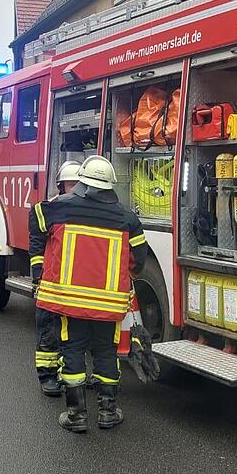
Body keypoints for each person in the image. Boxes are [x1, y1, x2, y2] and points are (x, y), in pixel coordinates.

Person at [29, 156, 148, 432]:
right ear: (109, 185)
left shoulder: (59, 209)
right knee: (106, 353)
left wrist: (41, 265)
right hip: (108, 305)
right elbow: (138, 260)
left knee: (73, 353)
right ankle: (107, 412)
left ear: (82, 181)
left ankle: (76, 416)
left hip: (70, 302)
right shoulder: (127, 218)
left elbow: (35, 218)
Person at [34, 161, 81, 397]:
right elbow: (37, 245)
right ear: (61, 186)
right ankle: (47, 376)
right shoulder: (49, 209)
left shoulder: (83, 209)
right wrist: (37, 277)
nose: (74, 189)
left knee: (73, 332)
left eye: (78, 184)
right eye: (71, 184)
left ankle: (69, 373)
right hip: (51, 282)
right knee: (49, 329)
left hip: (74, 282)